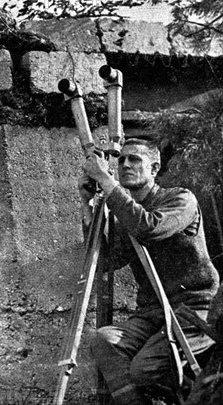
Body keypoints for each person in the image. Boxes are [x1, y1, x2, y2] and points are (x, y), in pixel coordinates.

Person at [78, 138, 219, 405]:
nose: (125, 165)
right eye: (121, 160)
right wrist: (86, 205)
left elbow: (150, 228)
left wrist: (108, 185)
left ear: (154, 169)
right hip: (153, 312)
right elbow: (106, 260)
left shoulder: (180, 199)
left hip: (194, 308)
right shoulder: (129, 214)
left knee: (144, 370)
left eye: (134, 159)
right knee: (104, 340)